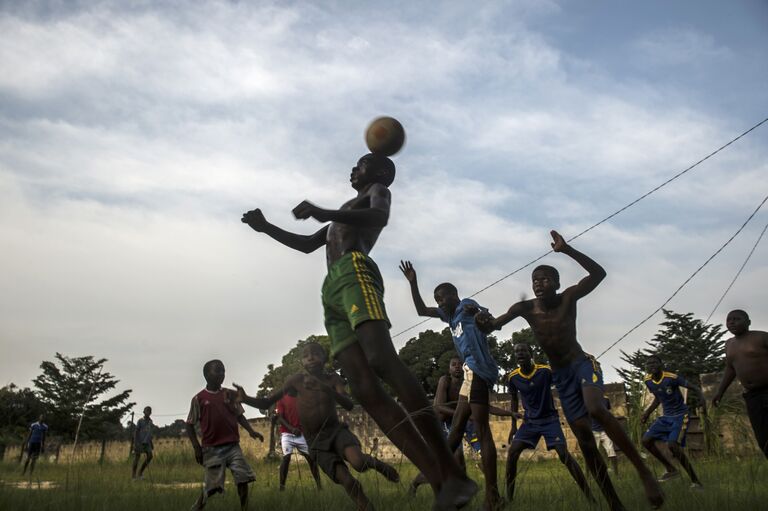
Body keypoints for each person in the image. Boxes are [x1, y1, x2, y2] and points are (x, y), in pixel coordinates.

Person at [242, 154, 477, 509]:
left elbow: (379, 216)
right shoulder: (344, 211)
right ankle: (444, 481)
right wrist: (267, 227)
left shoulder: (377, 192)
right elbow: (308, 245)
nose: (353, 168)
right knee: (365, 391)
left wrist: (326, 212)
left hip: (355, 272)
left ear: (380, 172)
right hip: (332, 289)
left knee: (382, 361)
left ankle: (450, 470)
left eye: (361, 164)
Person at [475, 231, 663, 511]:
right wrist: (482, 321)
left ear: (557, 283)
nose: (539, 284)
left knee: (597, 409)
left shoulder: (569, 297)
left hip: (582, 364)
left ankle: (644, 472)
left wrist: (567, 250)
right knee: (586, 442)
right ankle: (614, 504)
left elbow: (599, 274)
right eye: (535, 281)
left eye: (546, 279)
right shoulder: (525, 308)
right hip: (561, 375)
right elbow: (494, 325)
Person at [236, 342, 399, 511]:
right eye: (306, 356)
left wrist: (326, 389)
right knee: (347, 481)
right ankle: (366, 507)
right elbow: (267, 401)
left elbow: (349, 404)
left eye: (315, 354)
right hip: (315, 441)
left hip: (336, 431)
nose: (311, 358)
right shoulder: (296, 381)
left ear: (324, 358)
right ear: (302, 362)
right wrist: (246, 398)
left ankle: (377, 464)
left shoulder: (332, 379)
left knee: (358, 462)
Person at [399, 261, 502, 510]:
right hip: (470, 372)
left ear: (454, 296)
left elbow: (480, 314)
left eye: (442, 298)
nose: (440, 302)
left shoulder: (466, 306)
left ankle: (493, 497)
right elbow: (422, 310)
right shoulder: (448, 316)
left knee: (482, 430)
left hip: (479, 368)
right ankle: (441, 481)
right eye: (438, 298)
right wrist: (413, 283)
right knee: (455, 430)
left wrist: (478, 313)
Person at [410, 357, 514, 495]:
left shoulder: (469, 383)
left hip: (464, 421)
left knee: (484, 451)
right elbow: (439, 407)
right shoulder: (445, 381)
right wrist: (463, 415)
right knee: (455, 456)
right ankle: (417, 482)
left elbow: (484, 406)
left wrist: (509, 413)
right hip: (445, 423)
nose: (457, 367)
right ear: (449, 369)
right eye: (454, 365)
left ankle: (491, 490)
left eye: (460, 364)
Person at [505, 342, 594, 503]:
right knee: (512, 453)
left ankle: (590, 497)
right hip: (529, 422)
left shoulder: (544, 371)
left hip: (549, 420)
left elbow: (563, 378)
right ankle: (509, 499)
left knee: (563, 454)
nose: (520, 354)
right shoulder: (513, 377)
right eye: (517, 352)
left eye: (523, 350)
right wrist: (513, 426)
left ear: (530, 354)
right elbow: (513, 398)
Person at [186, 360, 264, 510]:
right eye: (217, 371)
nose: (221, 374)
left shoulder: (229, 394)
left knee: (242, 478)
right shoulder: (199, 399)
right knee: (212, 486)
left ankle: (244, 508)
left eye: (223, 371)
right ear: (207, 375)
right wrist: (197, 448)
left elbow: (239, 416)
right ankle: (198, 506)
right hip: (212, 449)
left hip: (232, 446)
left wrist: (251, 431)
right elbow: (189, 424)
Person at [640, 355, 703, 487]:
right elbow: (658, 398)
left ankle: (695, 481)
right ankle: (671, 469)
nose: (652, 366)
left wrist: (701, 399)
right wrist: (646, 413)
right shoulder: (648, 381)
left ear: (661, 364)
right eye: (649, 364)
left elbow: (694, 388)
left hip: (680, 415)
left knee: (672, 445)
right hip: (666, 416)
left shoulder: (671, 378)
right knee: (646, 441)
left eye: (655, 363)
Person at [713, 309, 768, 458]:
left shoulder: (761, 337)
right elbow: (730, 369)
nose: (732, 322)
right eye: (729, 320)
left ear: (748, 322)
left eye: (736, 319)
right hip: (752, 396)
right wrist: (720, 392)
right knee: (763, 438)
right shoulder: (729, 344)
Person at [275, 393, 322, 490]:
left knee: (311, 459)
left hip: (301, 434)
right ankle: (281, 488)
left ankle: (319, 486)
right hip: (287, 434)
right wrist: (291, 429)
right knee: (286, 458)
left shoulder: (302, 397)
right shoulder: (281, 399)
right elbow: (280, 417)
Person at [592, 396, 619, 475]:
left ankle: (616, 474)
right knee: (591, 453)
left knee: (611, 451)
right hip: (593, 430)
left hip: (604, 430)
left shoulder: (606, 399)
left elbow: (608, 413)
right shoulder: (588, 398)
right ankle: (589, 475)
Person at [132, 406, 154, 479]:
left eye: (149, 411)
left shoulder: (151, 422)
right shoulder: (140, 421)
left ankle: (140, 472)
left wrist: (151, 443)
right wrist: (136, 443)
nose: (148, 412)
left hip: (147, 442)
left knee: (150, 456)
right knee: (137, 458)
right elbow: (136, 432)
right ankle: (133, 476)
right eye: (146, 411)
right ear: (144, 412)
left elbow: (149, 433)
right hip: (139, 441)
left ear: (150, 413)